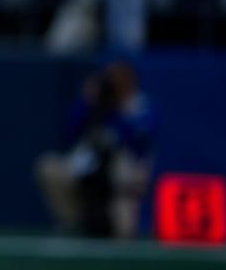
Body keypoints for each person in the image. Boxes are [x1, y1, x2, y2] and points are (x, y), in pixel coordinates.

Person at [35, 61, 155, 238]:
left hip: (122, 180)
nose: (112, 84)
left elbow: (137, 142)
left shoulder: (140, 105)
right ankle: (73, 220)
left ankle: (112, 219)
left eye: (117, 79)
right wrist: (87, 102)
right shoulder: (95, 104)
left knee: (124, 233)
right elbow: (69, 133)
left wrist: (116, 111)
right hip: (89, 171)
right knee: (48, 167)